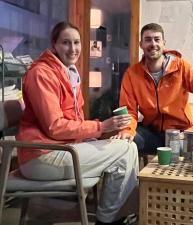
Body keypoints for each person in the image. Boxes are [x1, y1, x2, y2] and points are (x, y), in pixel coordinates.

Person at [16, 21, 138, 225]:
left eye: (76, 42)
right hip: (40, 158)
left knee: (127, 147)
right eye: (66, 43)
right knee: (125, 151)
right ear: (54, 44)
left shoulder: (67, 72)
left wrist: (99, 132)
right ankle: (108, 219)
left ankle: (110, 217)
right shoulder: (41, 74)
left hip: (60, 149)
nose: (73, 49)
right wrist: (101, 127)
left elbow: (73, 121)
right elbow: (55, 127)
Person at [115, 23, 193, 154]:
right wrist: (127, 130)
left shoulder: (181, 67)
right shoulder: (132, 74)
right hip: (151, 134)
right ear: (141, 44)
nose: (153, 44)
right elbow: (129, 110)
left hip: (181, 134)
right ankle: (135, 175)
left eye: (157, 39)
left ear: (164, 43)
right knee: (125, 142)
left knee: (190, 152)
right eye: (148, 40)